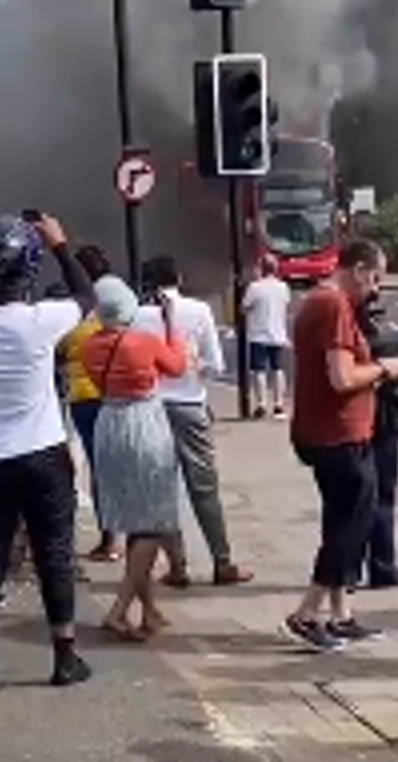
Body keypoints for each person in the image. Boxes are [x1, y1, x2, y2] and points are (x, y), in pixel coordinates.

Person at [0, 212, 93, 690]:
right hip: (43, 455)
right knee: (54, 554)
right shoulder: (39, 321)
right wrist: (59, 244)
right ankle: (65, 656)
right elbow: (86, 295)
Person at [284, 237, 398, 653]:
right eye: (375, 278)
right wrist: (384, 369)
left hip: (329, 431)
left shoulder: (320, 302)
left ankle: (340, 614)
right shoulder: (333, 304)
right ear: (357, 269)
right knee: (351, 524)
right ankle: (306, 613)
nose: (376, 288)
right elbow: (341, 377)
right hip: (338, 433)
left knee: (340, 520)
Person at [80, 275, 189, 640]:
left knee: (133, 521)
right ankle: (118, 610)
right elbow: (177, 366)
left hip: (109, 423)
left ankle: (150, 611)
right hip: (144, 424)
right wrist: (171, 324)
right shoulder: (142, 341)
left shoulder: (89, 346)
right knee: (152, 522)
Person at [137, 255, 253, 589]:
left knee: (162, 488)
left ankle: (178, 565)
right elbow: (215, 365)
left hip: (151, 408)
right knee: (204, 488)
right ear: (179, 278)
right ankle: (222, 561)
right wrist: (192, 365)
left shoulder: (137, 316)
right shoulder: (199, 311)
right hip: (189, 404)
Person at [57, 244, 121, 562]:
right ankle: (130, 534)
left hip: (84, 398)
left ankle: (110, 538)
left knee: (98, 467)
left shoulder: (72, 316)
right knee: (114, 464)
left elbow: (58, 354)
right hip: (114, 394)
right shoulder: (113, 308)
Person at [357, 295, 398, 589]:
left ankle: (348, 571)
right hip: (379, 422)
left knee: (353, 499)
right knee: (381, 495)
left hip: (354, 424)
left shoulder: (347, 344)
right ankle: (382, 567)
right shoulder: (379, 347)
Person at [243, 255, 293, 418]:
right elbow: (286, 305)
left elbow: (244, 307)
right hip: (278, 334)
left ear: (261, 269)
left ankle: (261, 404)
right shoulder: (283, 287)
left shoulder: (254, 287)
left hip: (258, 334)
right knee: (277, 369)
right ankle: (279, 404)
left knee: (259, 370)